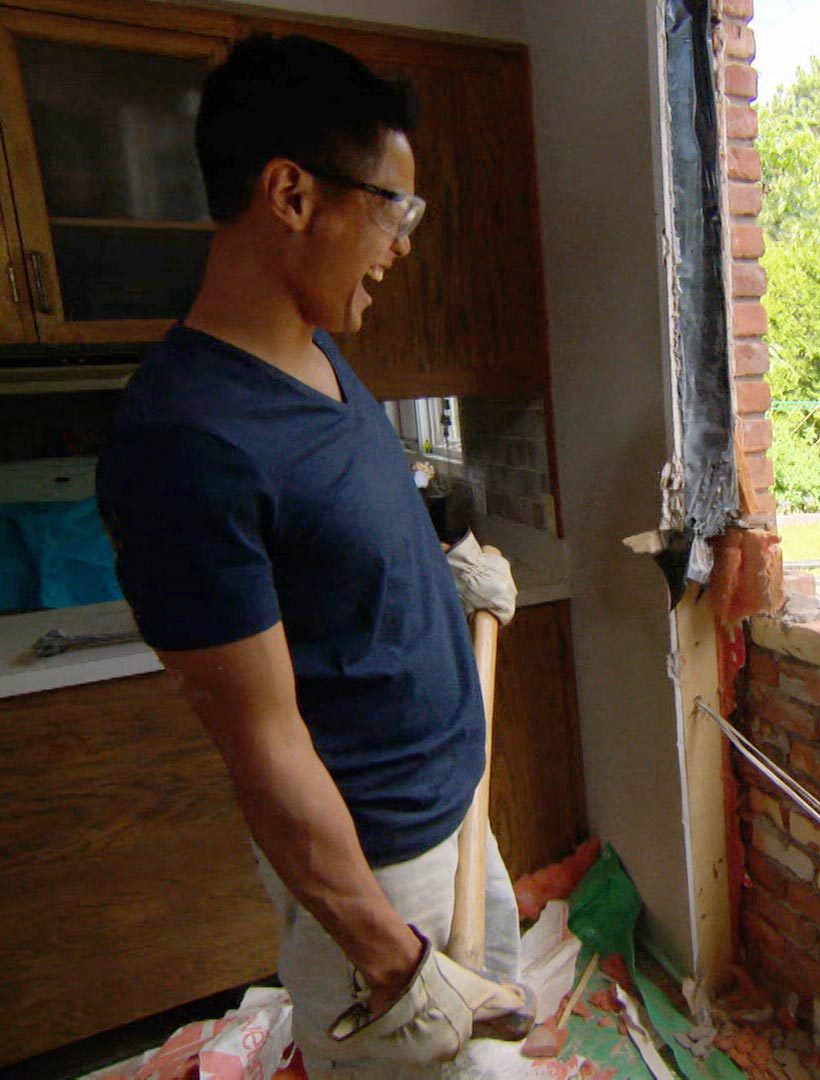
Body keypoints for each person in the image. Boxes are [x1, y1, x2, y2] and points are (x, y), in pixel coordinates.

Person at [96, 35, 525, 1075]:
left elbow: (341, 534)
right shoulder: (185, 444)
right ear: (291, 195)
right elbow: (264, 748)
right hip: (384, 887)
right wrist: (391, 964)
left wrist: (441, 566)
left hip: (456, 816)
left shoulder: (316, 349)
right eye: (395, 208)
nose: (404, 243)